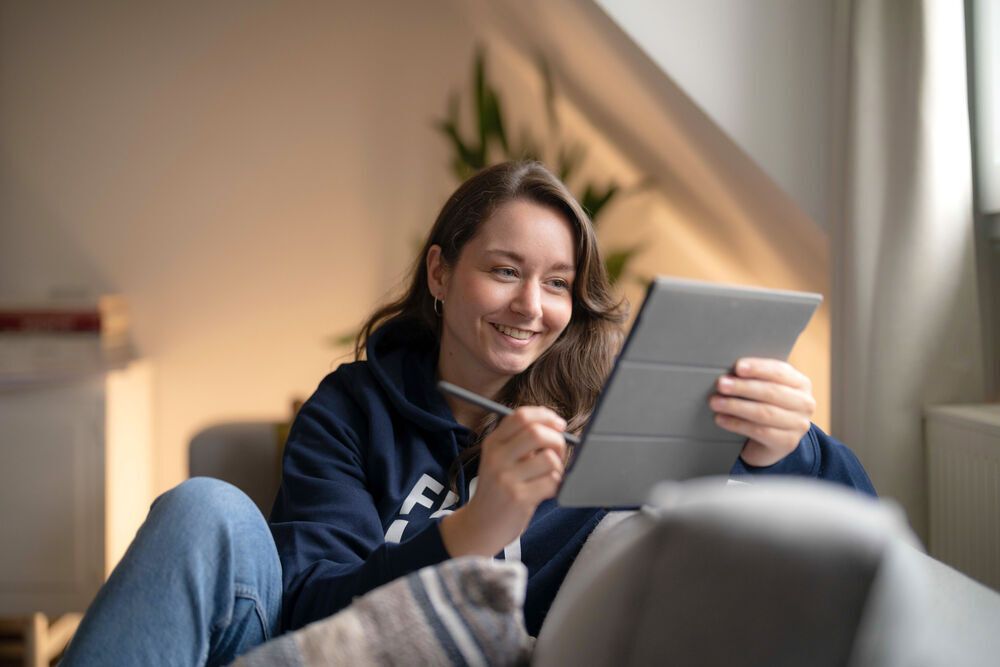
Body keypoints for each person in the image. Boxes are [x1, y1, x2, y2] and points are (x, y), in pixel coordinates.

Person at [62, 161, 874, 665]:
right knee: (206, 505)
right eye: (505, 270)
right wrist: (474, 529)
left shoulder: (609, 420)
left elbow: (865, 536)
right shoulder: (351, 408)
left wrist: (790, 448)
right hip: (320, 652)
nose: (532, 305)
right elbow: (300, 609)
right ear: (442, 274)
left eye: (557, 283)